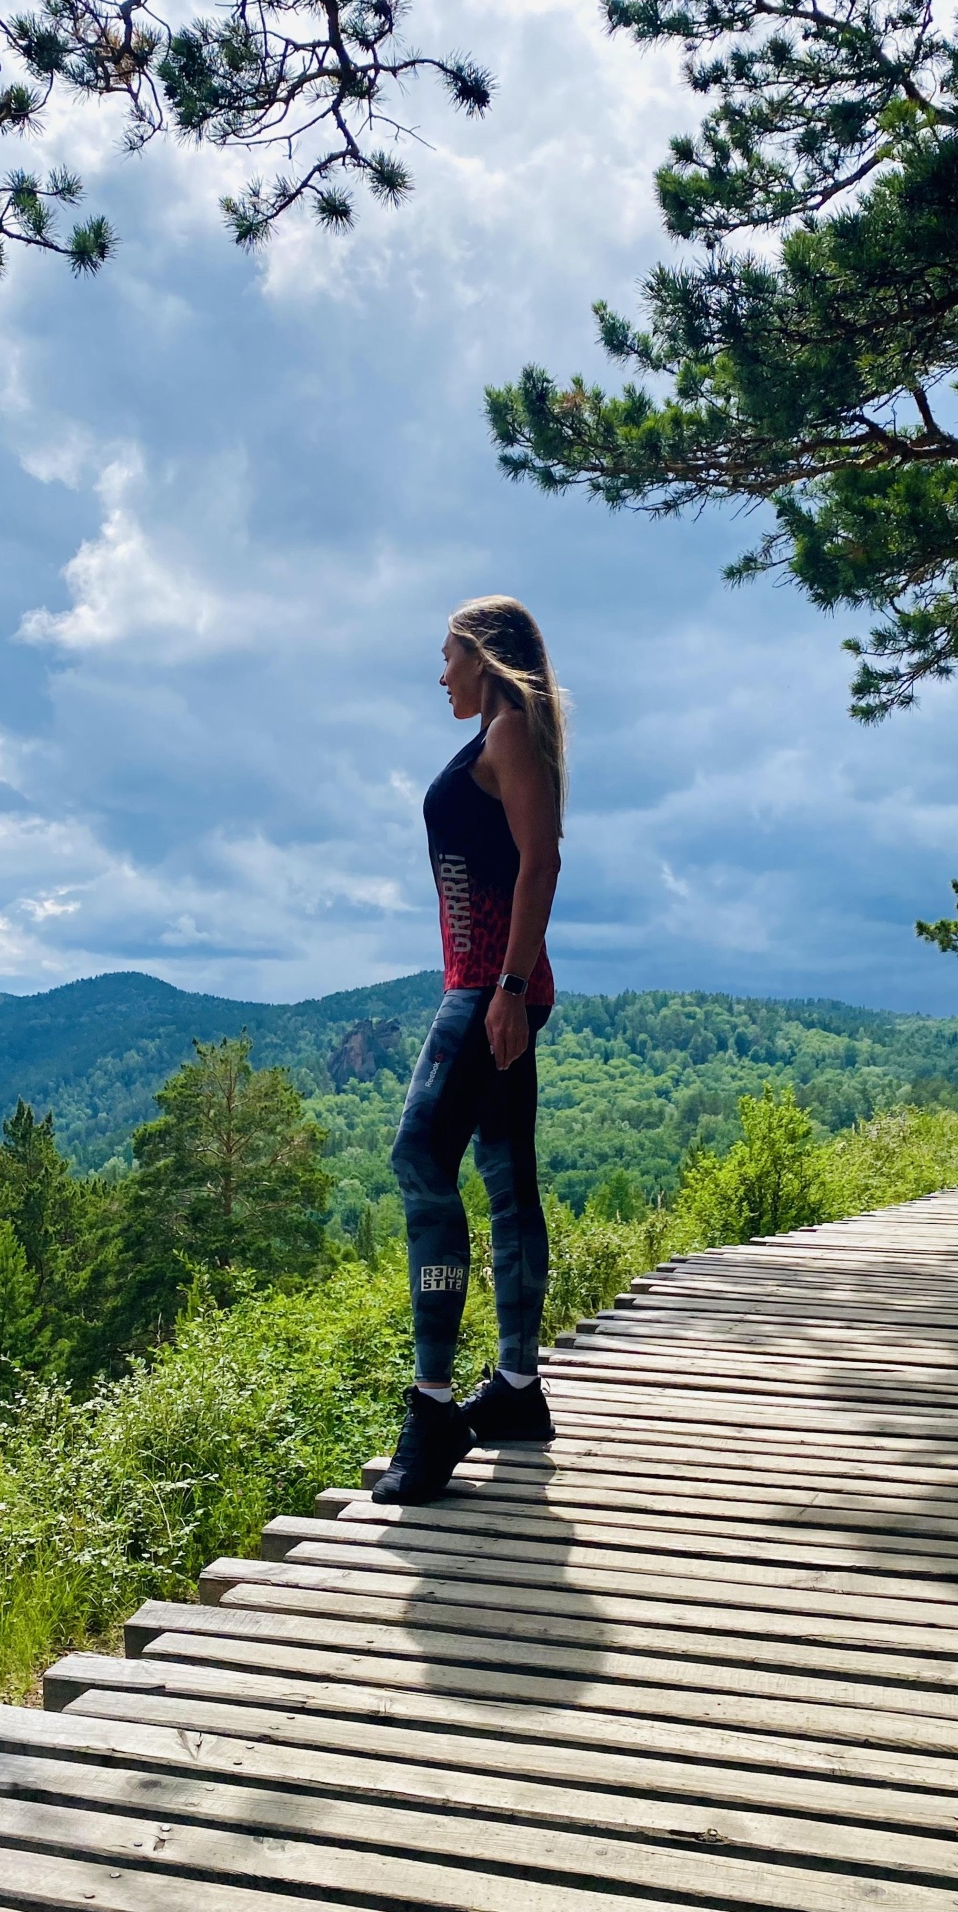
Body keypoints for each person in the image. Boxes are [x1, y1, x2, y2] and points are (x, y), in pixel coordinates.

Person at [375, 595, 566, 1506]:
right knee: (505, 1176)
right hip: (494, 985)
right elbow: (511, 860)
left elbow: (541, 861)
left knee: (419, 1158)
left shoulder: (512, 732)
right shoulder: (497, 735)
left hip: (489, 989)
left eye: (447, 654)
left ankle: (435, 1404)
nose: (439, 671)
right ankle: (518, 1392)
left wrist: (511, 987)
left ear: (484, 657)